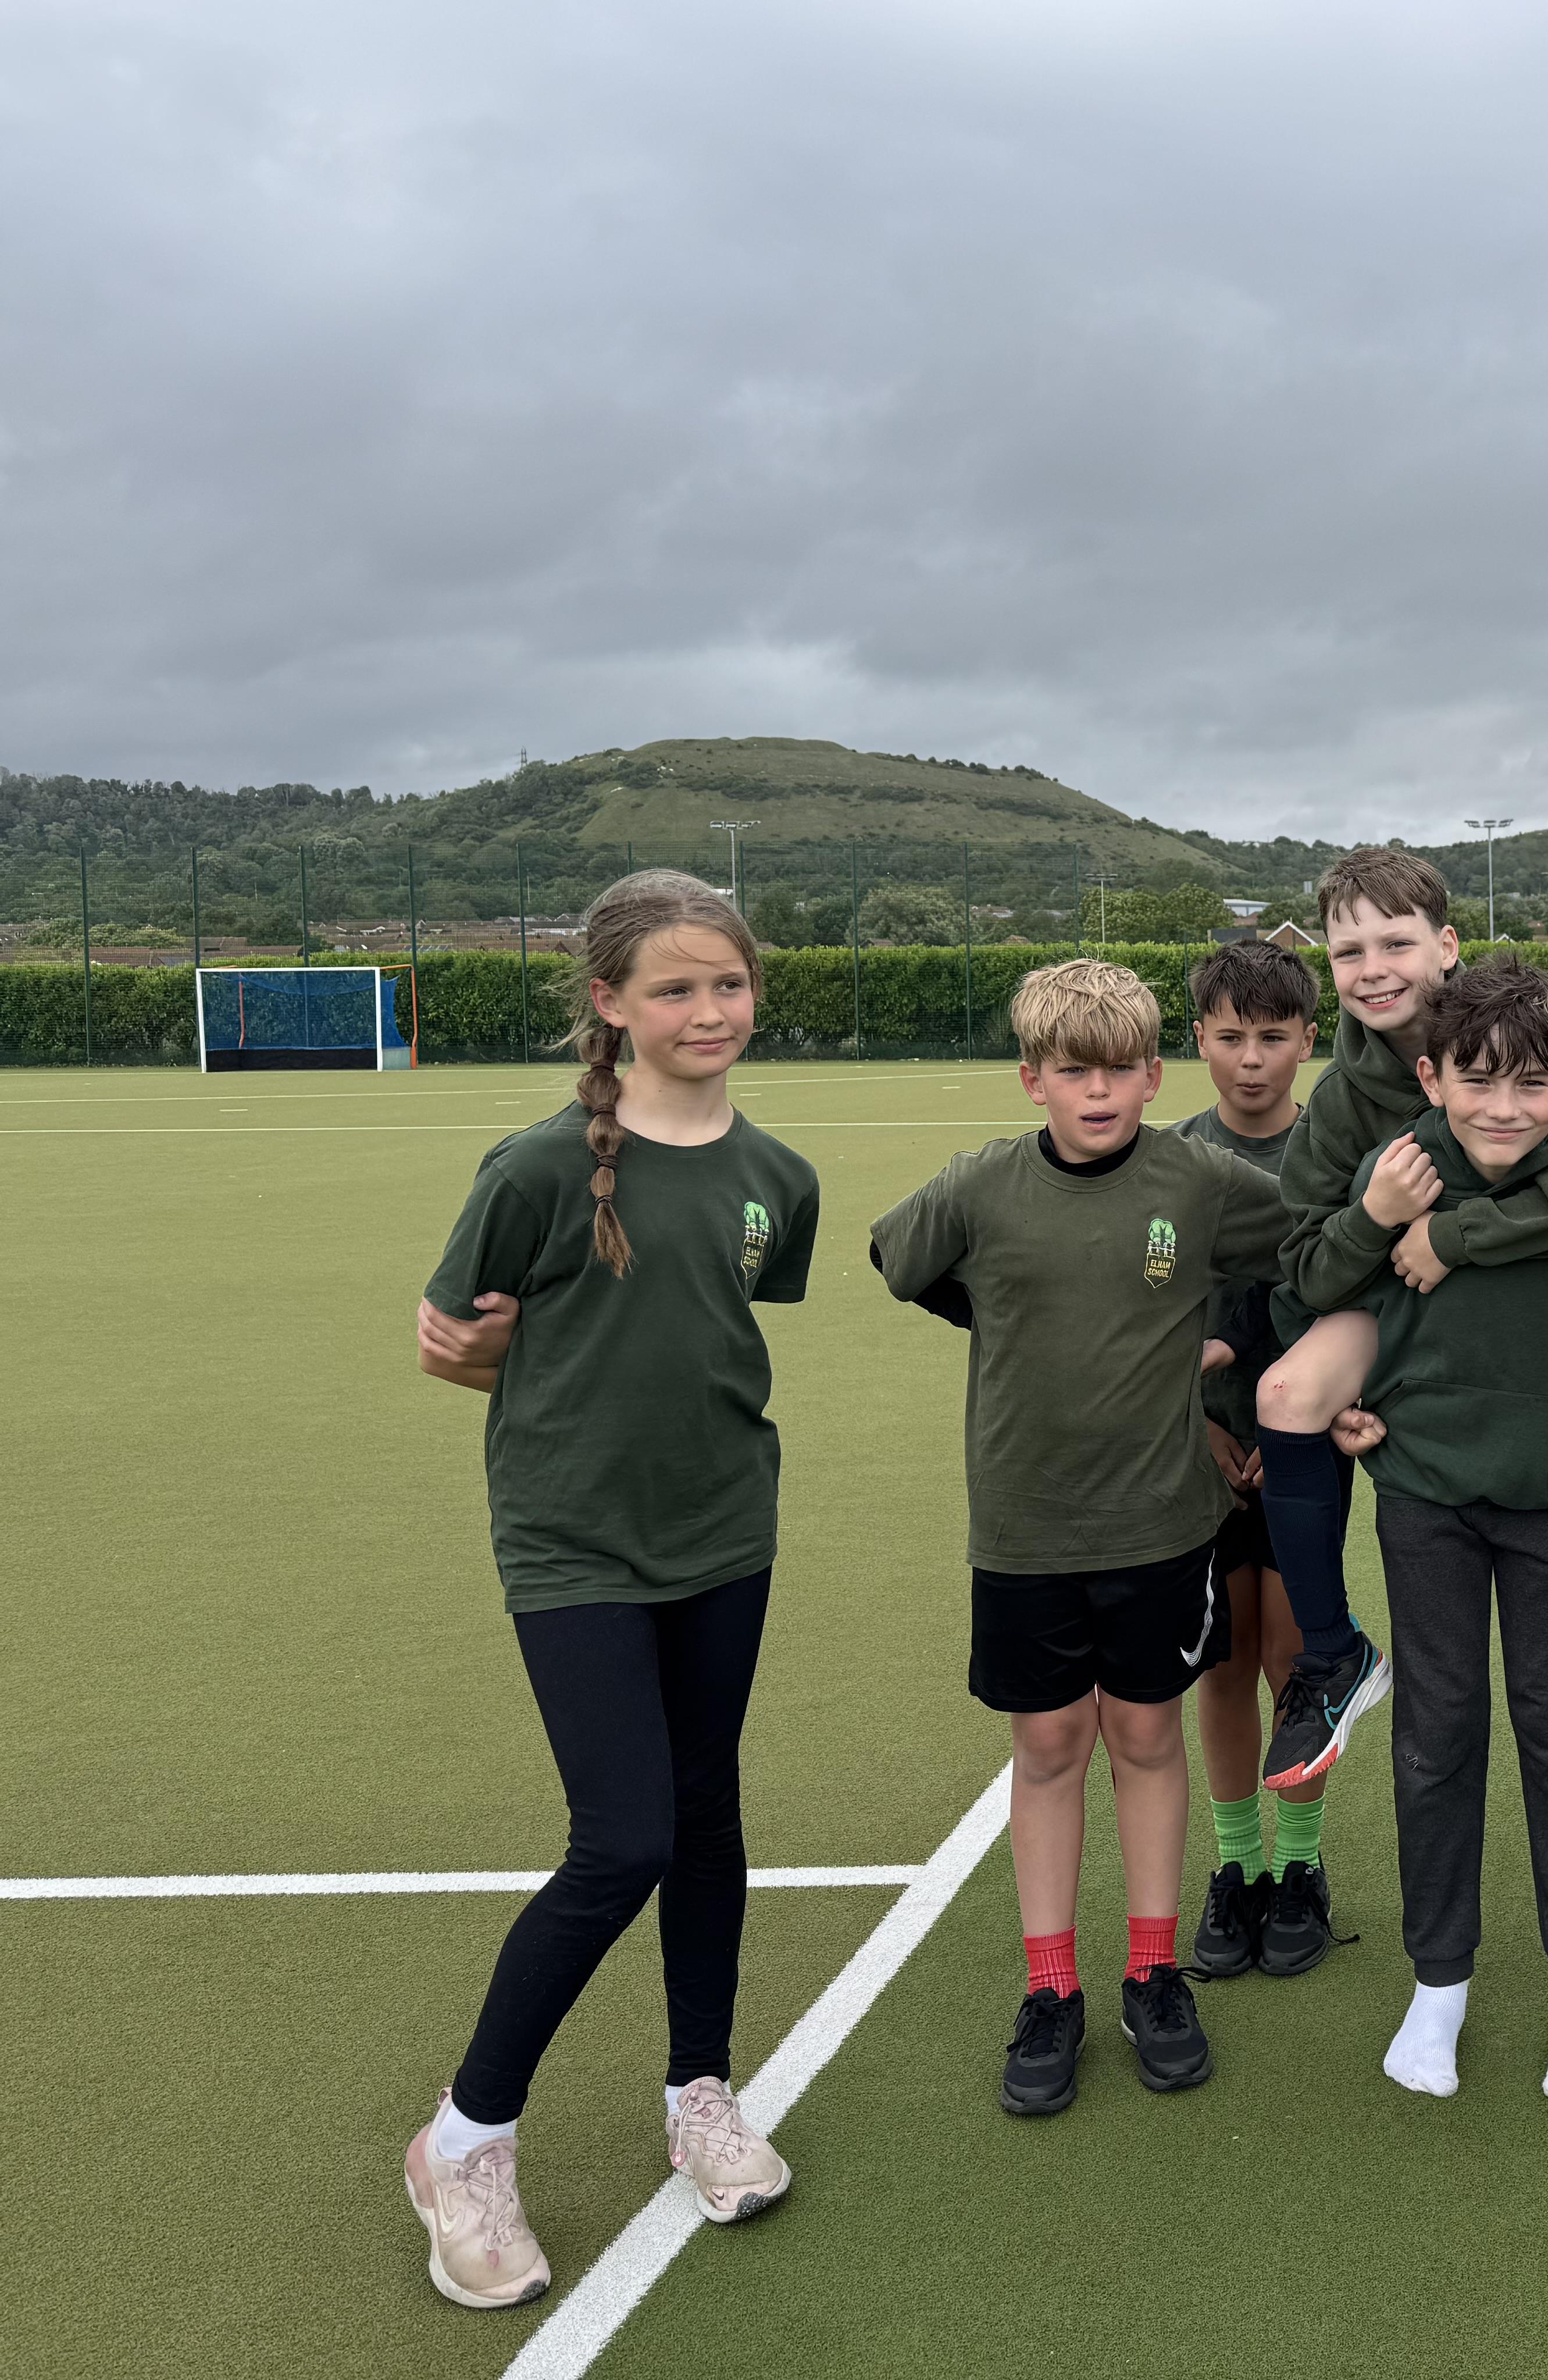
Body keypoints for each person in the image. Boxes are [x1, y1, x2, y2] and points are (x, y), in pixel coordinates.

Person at [407, 870, 818, 2311]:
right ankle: (464, 2142)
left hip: (725, 1533)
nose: (709, 1011)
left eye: (728, 983)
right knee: (624, 1837)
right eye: (675, 988)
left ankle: (701, 2093)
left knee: (706, 1814)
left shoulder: (780, 1179)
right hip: (572, 1545)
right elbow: (450, 1341)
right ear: (610, 1003)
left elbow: (712, 1328)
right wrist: (478, 1352)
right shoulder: (534, 1170)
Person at [869, 961, 1292, 2115]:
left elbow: (1311, 1248)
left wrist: (1233, 1354)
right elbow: (897, 1256)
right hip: (1024, 1525)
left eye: (1118, 1071)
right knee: (1051, 1742)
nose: (1097, 1092)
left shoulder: (1199, 1180)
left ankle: (1153, 1971)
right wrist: (998, 1311)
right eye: (1072, 1071)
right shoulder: (981, 1185)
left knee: (1147, 1735)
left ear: (1154, 1074)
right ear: (1033, 1078)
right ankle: (1050, 1986)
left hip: (1159, 1522)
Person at [1253, 849, 1548, 1827]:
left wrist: (1452, 1237)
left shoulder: (1522, 1030)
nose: (1373, 968)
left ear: (1446, 943)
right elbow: (1307, 1267)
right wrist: (1376, 1222)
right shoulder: (1341, 1099)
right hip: (1410, 1319)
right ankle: (1332, 1654)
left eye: (1396, 942)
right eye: (1348, 951)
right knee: (1287, 1395)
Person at [1320, 961, 1548, 2099]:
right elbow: (1319, 1282)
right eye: (1477, 1081)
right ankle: (1439, 1983)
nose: (1504, 1108)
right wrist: (1348, 1392)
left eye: (1532, 1083)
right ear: (1431, 1077)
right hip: (1424, 1497)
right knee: (1436, 1733)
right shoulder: (1400, 1170)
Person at [1169, 939, 1339, 1981]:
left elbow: (1359, 1304)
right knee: (1223, 1663)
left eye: (1272, 1037)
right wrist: (1199, 1425)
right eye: (1229, 1036)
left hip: (1308, 1448)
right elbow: (1145, 1316)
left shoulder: (1334, 1156)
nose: (1250, 1058)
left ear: (1308, 1040)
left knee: (1295, 1660)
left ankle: (1301, 1864)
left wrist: (1297, 1427)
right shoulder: (1169, 1159)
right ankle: (1237, 1866)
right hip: (1196, 1449)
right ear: (1198, 1038)